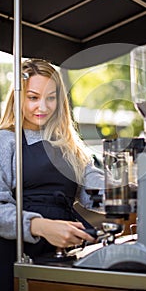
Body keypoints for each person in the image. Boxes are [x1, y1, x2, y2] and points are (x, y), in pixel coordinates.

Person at [0, 58, 105, 291]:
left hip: (65, 255)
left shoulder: (69, 147)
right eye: (33, 97)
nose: (43, 107)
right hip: (15, 256)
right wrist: (41, 226)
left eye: (51, 97)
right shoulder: (5, 141)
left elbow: (96, 190)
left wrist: (130, 192)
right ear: (18, 97)